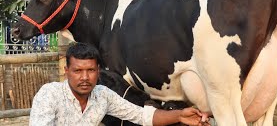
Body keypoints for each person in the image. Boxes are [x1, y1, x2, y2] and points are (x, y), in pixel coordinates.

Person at [29, 42, 210, 126]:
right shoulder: (49, 94)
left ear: (98, 71)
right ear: (66, 71)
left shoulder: (102, 95)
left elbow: (141, 116)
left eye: (90, 70)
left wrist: (179, 116)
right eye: (77, 71)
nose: (85, 77)